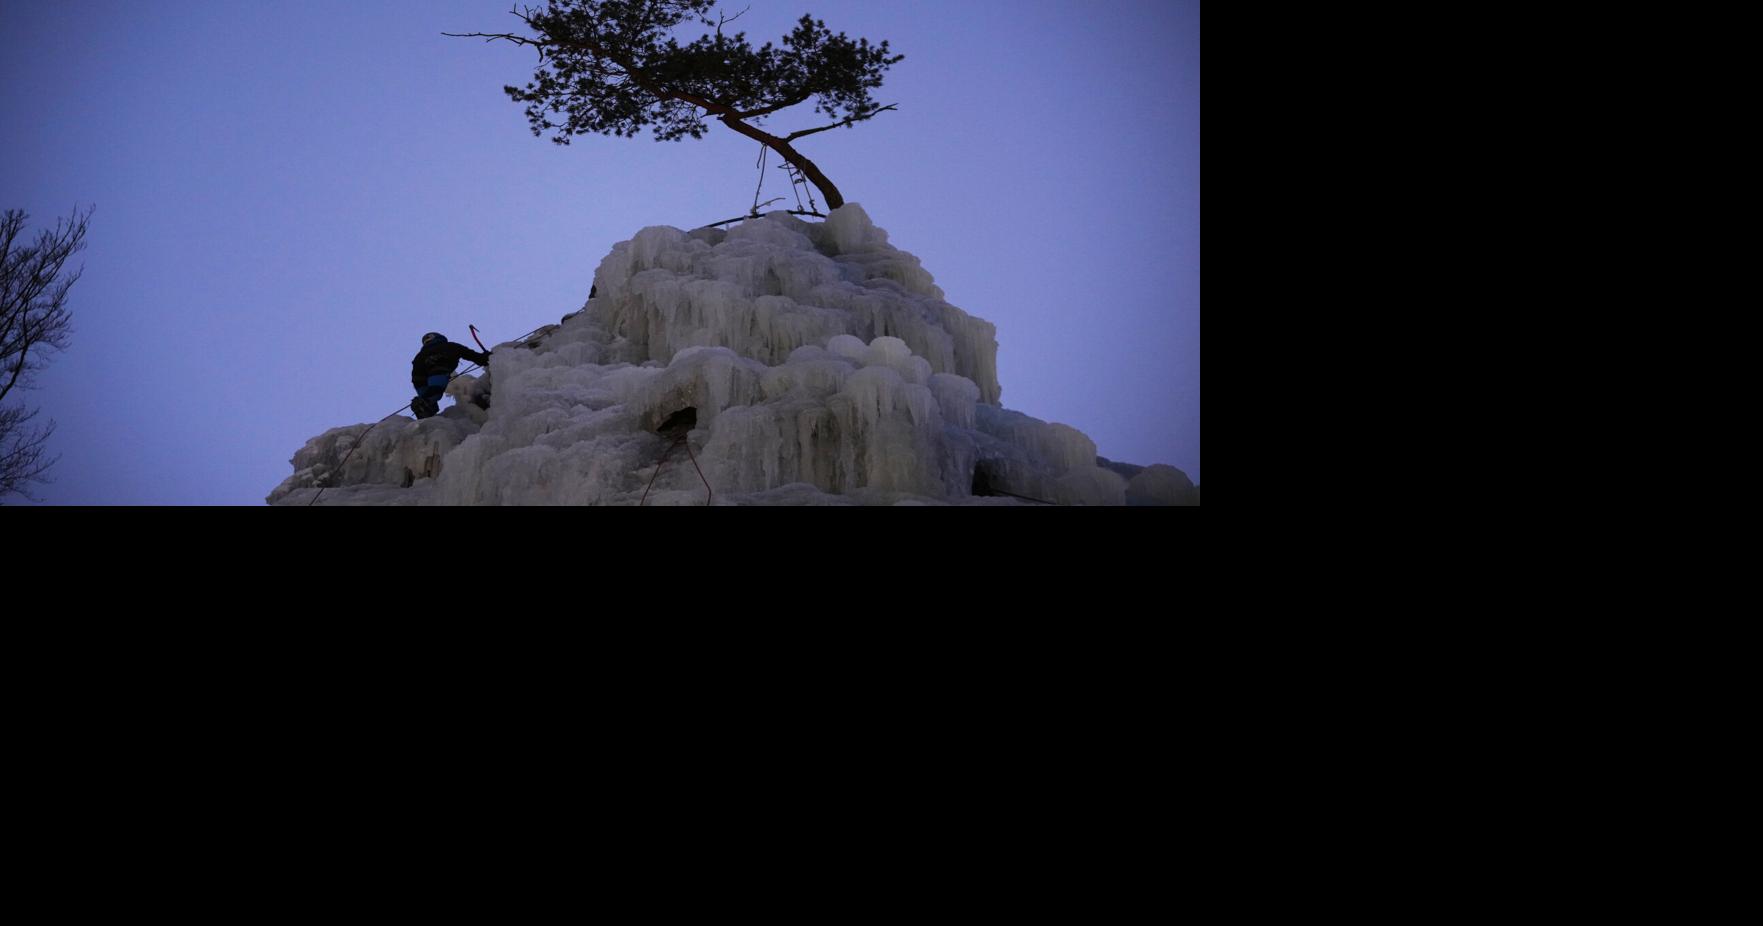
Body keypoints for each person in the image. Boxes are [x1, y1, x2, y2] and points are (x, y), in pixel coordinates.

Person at [410, 332, 490, 419]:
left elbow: (416, 374)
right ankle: (424, 404)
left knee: (428, 397)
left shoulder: (419, 355)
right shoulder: (450, 346)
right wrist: (485, 358)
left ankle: (424, 407)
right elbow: (470, 355)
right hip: (438, 367)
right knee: (435, 390)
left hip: (418, 377)